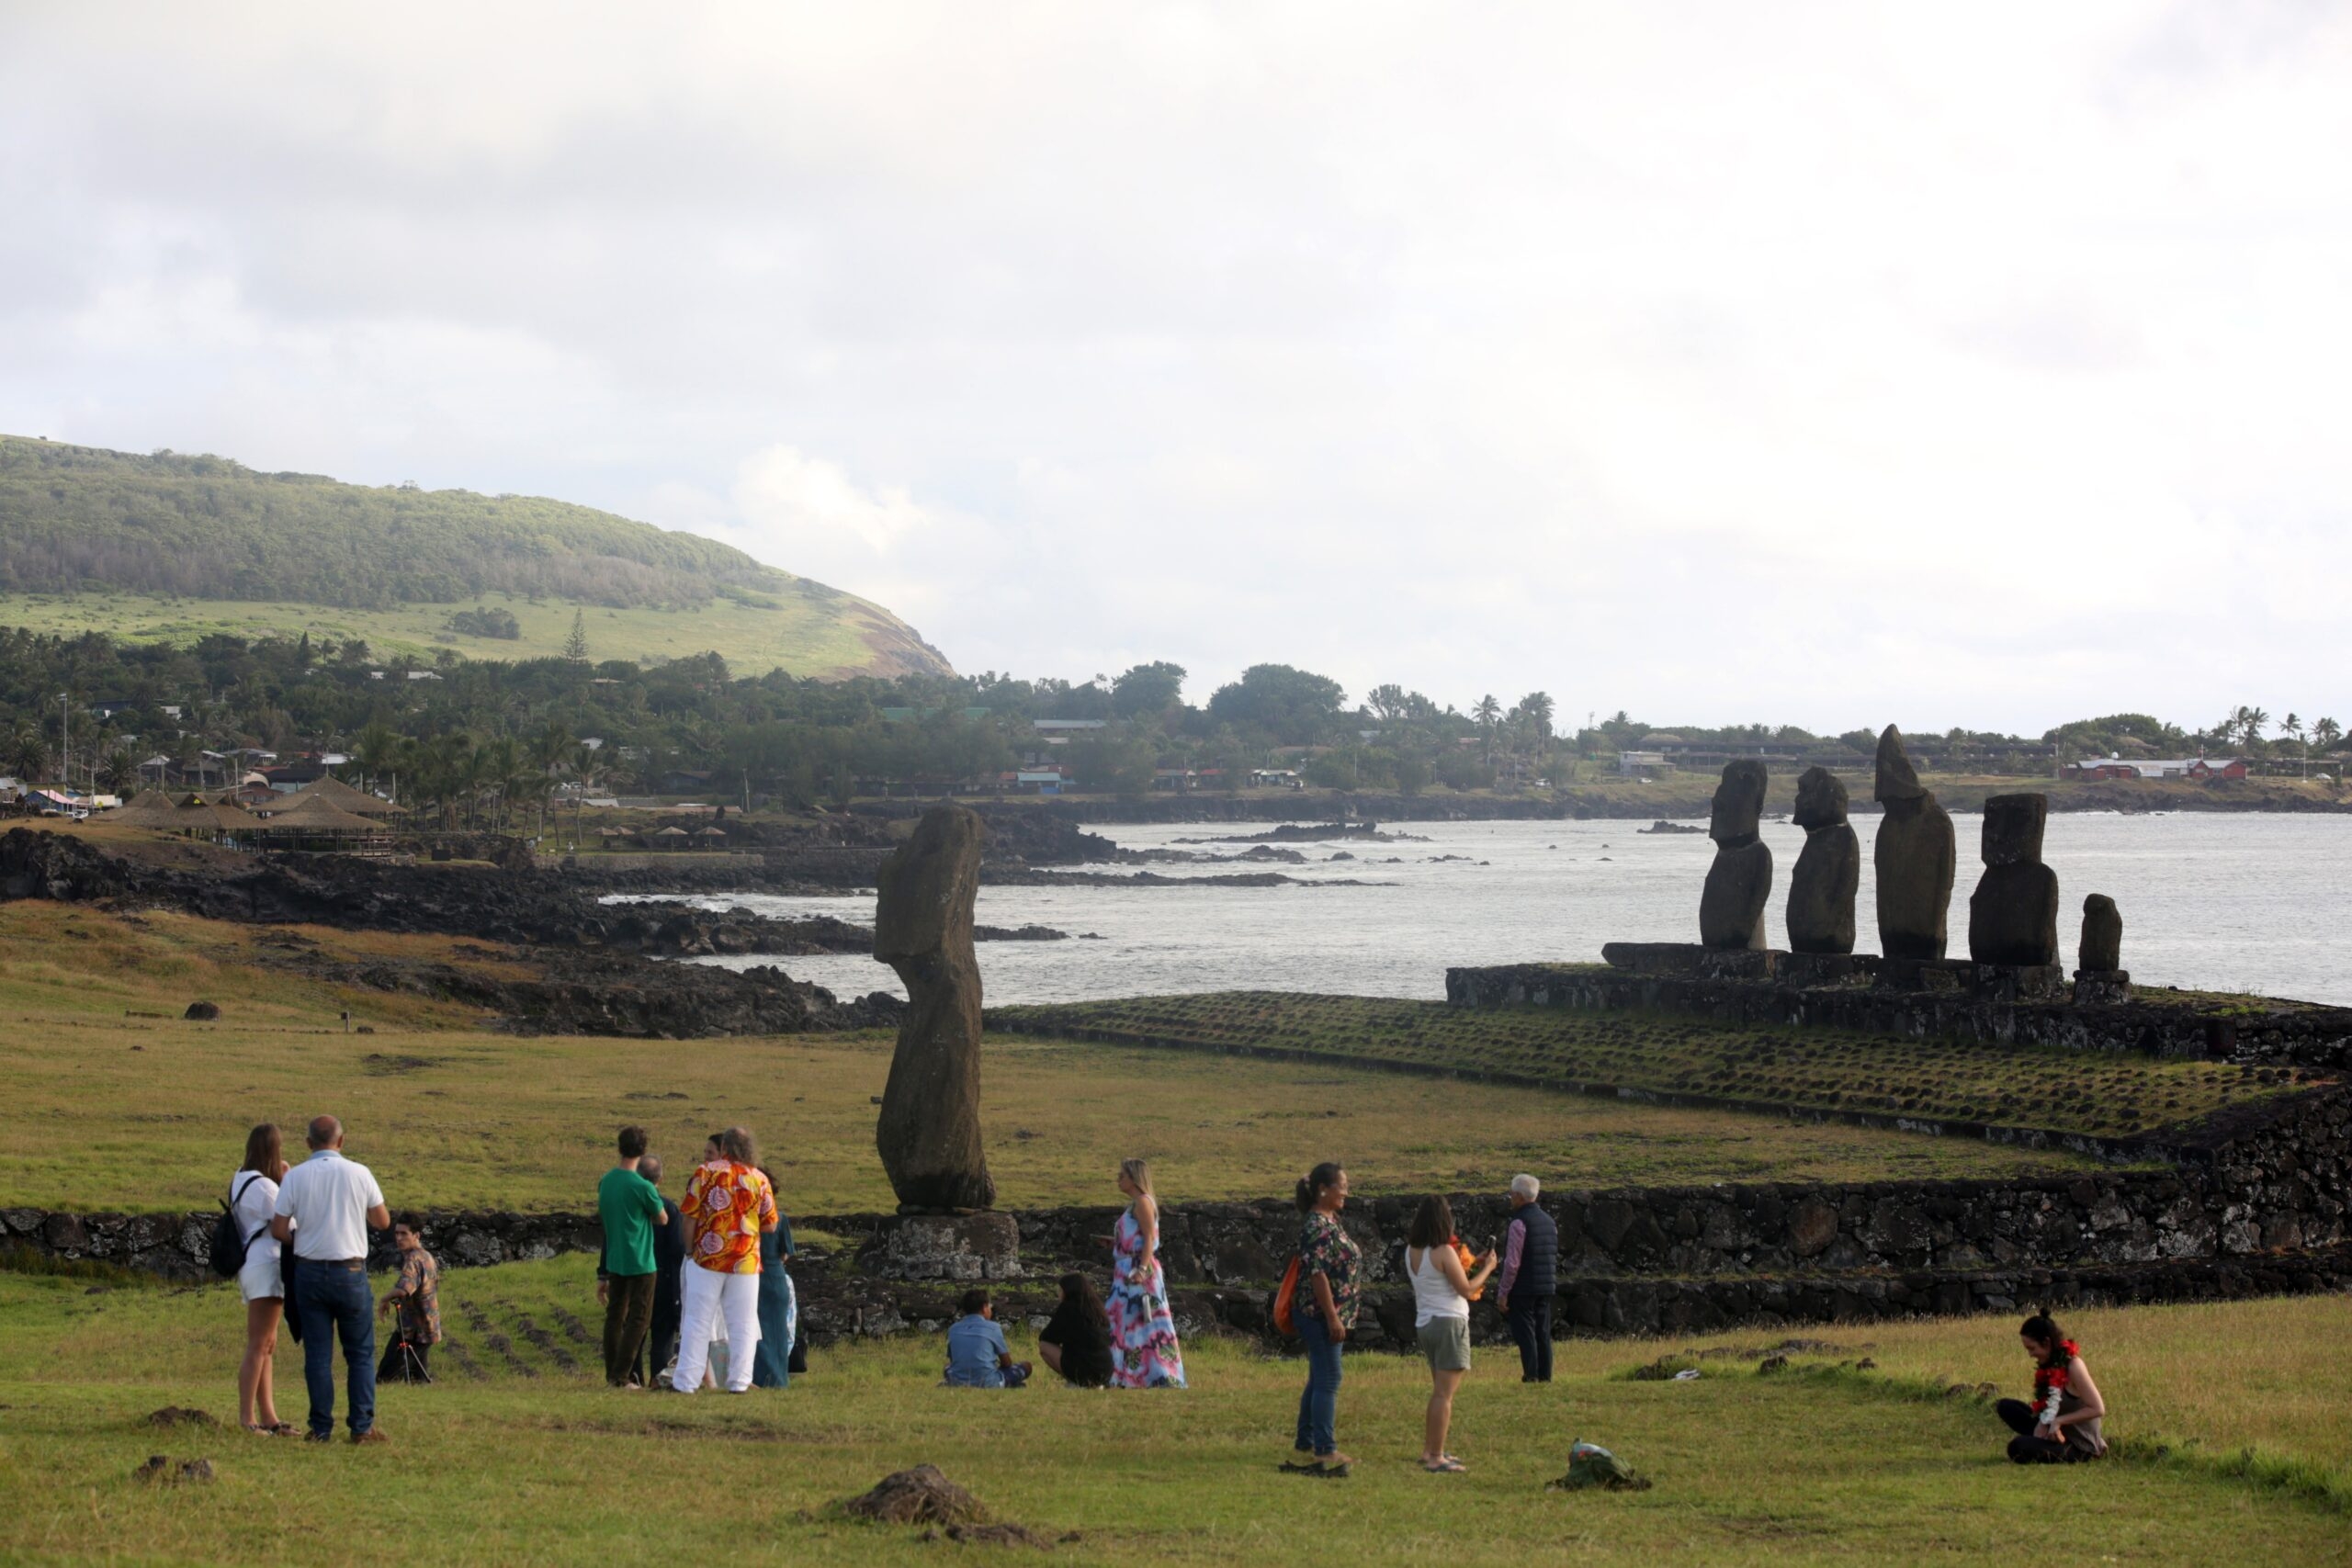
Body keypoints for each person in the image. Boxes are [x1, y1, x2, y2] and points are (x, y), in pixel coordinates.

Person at [269, 1114, 390, 1444]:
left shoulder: (296, 1178)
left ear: (308, 1143)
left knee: (318, 1356)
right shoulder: (360, 1172)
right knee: (360, 1354)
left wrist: (305, 1238)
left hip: (309, 1271)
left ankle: (321, 1428)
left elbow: (279, 1229)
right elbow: (382, 1221)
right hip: (350, 1271)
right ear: (342, 1140)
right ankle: (362, 1427)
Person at [668, 1127, 775, 1394]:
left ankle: (685, 1382)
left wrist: (691, 1251)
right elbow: (771, 1224)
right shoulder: (758, 1179)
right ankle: (739, 1382)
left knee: (696, 1321)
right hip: (745, 1261)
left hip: (707, 1258)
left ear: (724, 1146)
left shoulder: (705, 1172)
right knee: (743, 1323)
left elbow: (689, 1217)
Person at [1405, 1195, 1498, 1472]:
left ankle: (1431, 1449)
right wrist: (1489, 1268)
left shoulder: (1411, 1251)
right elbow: (1466, 1290)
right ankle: (1436, 1457)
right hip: (1449, 1323)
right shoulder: (1444, 1251)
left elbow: (1442, 1276)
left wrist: (1471, 1263)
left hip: (1426, 1323)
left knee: (1438, 1392)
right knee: (1444, 1395)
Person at [1284, 1161, 1359, 1479]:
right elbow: (1317, 1275)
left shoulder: (1329, 1219)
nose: (1346, 1191)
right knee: (1330, 1379)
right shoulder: (1316, 1226)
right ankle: (1325, 1448)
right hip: (1318, 1314)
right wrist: (1332, 1317)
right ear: (1323, 1190)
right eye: (1341, 1185)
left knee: (1319, 1376)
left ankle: (1306, 1439)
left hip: (1325, 1314)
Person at [231, 1123, 293, 1436]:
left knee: (267, 1344)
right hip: (266, 1263)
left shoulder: (241, 1179)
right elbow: (289, 1219)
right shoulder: (264, 1188)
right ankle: (248, 1418)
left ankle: (268, 1417)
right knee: (259, 1344)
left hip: (254, 1264)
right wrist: (288, 1179)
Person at [1105, 1158, 1186, 1388]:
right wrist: (1115, 1243)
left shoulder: (1142, 1202)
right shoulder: (1137, 1204)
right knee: (1129, 1322)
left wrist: (1141, 1269)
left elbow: (1149, 1237)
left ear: (1134, 1178)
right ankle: (1129, 1374)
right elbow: (1140, 1237)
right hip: (1127, 1267)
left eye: (1122, 1175)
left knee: (1141, 1321)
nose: (1118, 1179)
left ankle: (1152, 1375)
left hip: (1136, 1271)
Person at [594, 1125, 665, 1388]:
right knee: (639, 1318)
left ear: (619, 1147)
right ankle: (621, 1375)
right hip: (642, 1260)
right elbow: (662, 1217)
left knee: (615, 1316)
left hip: (616, 1257)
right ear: (643, 1150)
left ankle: (612, 1372)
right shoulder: (642, 1185)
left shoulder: (607, 1180)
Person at [1996, 1314, 2108, 1463]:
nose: (2030, 1354)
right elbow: (2049, 1404)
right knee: (2006, 1406)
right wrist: (2043, 1421)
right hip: (2055, 1433)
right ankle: (2042, 1439)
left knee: (2018, 1446)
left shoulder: (2074, 1366)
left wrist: (2058, 1421)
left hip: (2079, 1445)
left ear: (2047, 1343)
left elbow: (2098, 1409)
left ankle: (2044, 1444)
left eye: (2032, 1348)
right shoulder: (2049, 1366)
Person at [1495, 1173, 1556, 1383]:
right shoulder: (1549, 1221)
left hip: (1523, 1287)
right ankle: (1545, 1375)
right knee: (1543, 1332)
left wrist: (1503, 1292)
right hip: (1545, 1285)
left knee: (1526, 1333)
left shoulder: (1519, 1223)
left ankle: (1531, 1375)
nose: (1510, 1198)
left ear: (1520, 1196)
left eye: (1512, 1194)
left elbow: (1512, 1263)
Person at [639, 1156, 686, 1387]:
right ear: (661, 1178)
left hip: (634, 1274)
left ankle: (632, 1376)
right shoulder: (667, 1207)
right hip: (663, 1277)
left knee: (635, 1330)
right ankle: (658, 1378)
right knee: (663, 1333)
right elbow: (678, 1249)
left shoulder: (629, 1205)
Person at [375, 1218, 441, 1383]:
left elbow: (404, 1289)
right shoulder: (427, 1256)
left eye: (404, 1234)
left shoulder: (413, 1259)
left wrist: (384, 1299)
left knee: (386, 1377)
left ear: (416, 1235)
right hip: (426, 1326)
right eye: (396, 1233)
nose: (399, 1238)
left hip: (414, 1331)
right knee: (419, 1379)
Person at [752, 1165, 797, 1389]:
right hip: (776, 1276)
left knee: (757, 1331)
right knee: (779, 1332)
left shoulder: (748, 1217)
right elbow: (785, 1252)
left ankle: (761, 1378)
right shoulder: (780, 1217)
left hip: (754, 1276)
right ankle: (779, 1379)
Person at [1038, 1272, 1115, 1388]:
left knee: (1044, 1346)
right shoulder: (1097, 1309)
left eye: (1061, 1290)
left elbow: (1046, 1337)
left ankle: (1076, 1382)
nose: (1059, 1294)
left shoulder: (1068, 1308)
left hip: (1083, 1367)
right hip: (1106, 1369)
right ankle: (1093, 1384)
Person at [943, 1287, 1030, 1388]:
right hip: (988, 1382)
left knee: (947, 1367)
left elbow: (954, 1361)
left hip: (957, 1381)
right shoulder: (993, 1328)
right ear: (985, 1308)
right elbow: (1007, 1363)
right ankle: (1009, 1384)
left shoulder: (953, 1329)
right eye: (990, 1306)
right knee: (1027, 1366)